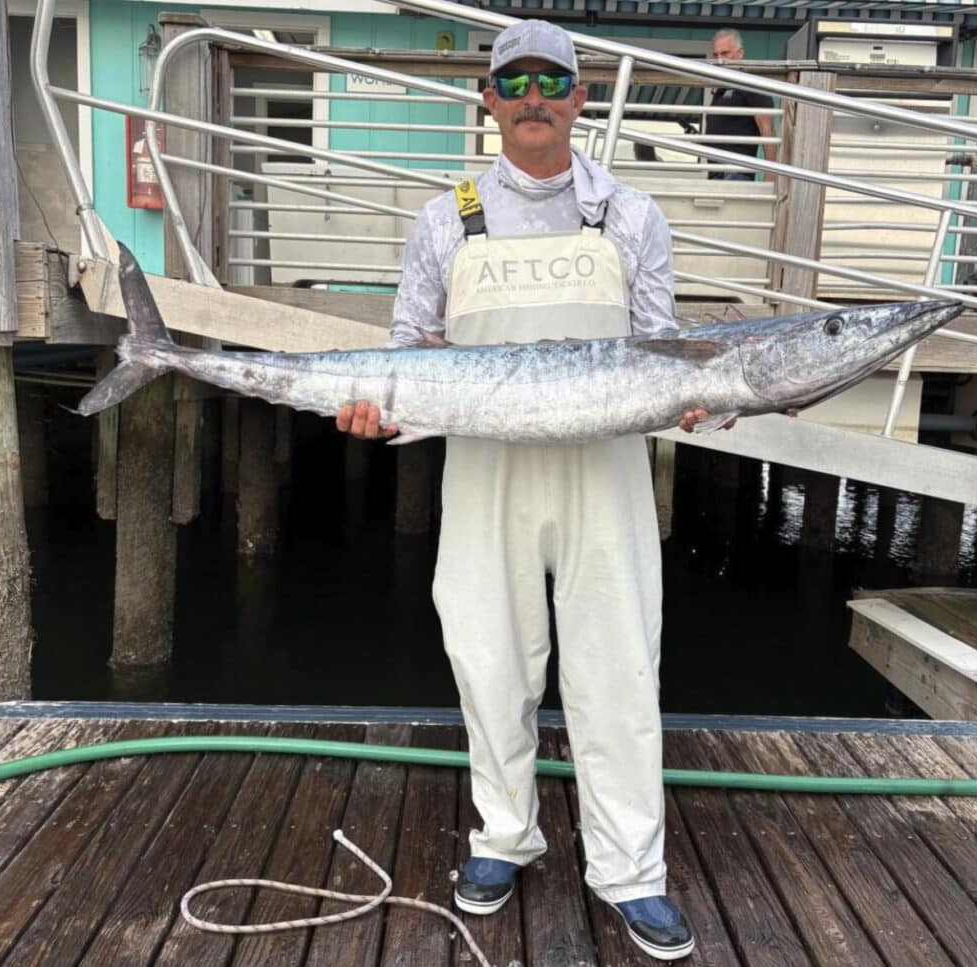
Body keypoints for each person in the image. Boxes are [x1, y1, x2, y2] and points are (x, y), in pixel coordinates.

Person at [336, 20, 706, 961]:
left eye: (551, 80)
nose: (532, 96)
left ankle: (632, 867)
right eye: (513, 81)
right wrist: (376, 407)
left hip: (605, 471)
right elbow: (409, 346)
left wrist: (700, 397)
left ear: (580, 98)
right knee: (488, 658)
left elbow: (661, 344)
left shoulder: (632, 214)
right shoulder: (444, 216)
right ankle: (503, 834)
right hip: (484, 469)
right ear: (489, 101)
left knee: (619, 668)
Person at [703, 28, 777, 181]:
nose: (720, 60)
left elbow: (768, 131)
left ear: (740, 53)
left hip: (736, 173)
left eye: (725, 53)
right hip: (716, 174)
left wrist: (770, 177)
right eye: (716, 55)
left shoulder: (752, 84)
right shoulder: (721, 90)